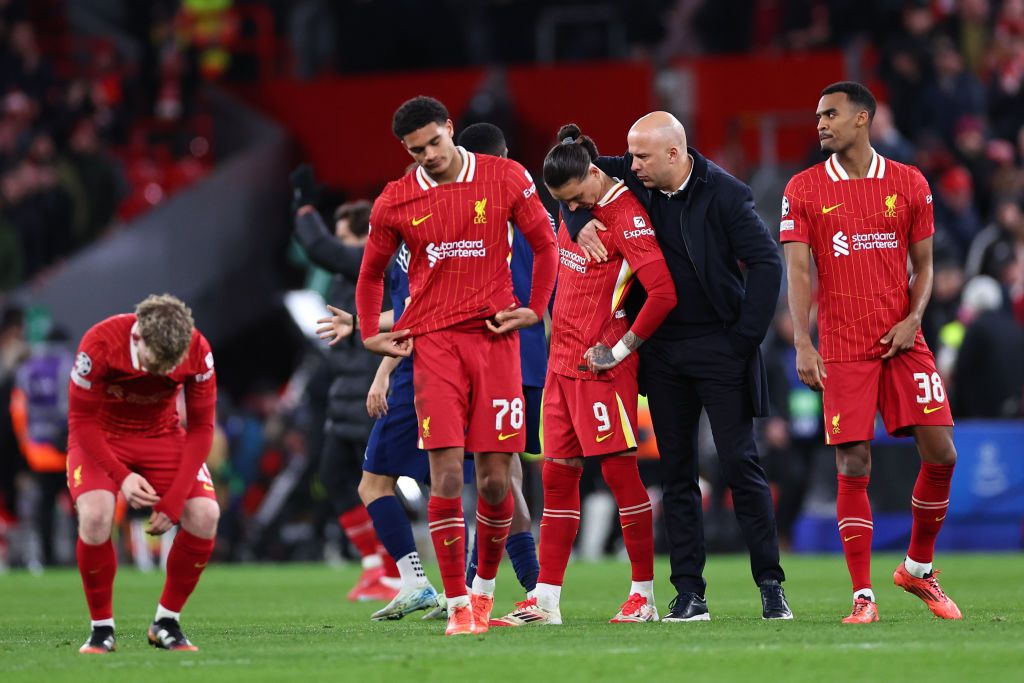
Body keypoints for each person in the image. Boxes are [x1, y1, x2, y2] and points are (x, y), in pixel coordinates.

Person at [562, 112, 790, 621]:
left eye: (641, 156)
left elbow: (767, 262)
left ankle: (771, 585)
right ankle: (689, 593)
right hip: (662, 349)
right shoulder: (633, 175)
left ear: (674, 154)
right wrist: (578, 220)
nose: (630, 165)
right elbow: (568, 175)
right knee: (677, 473)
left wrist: (743, 341)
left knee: (739, 464)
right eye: (630, 154)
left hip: (720, 347)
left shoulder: (727, 195)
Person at [354, 96, 557, 636]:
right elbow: (371, 272)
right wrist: (371, 332)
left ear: (450, 129)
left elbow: (545, 242)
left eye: (434, 143)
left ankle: (486, 595)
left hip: (495, 344)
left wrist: (534, 308)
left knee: (496, 483)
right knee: (445, 475)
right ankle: (457, 603)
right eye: (415, 150)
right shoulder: (395, 201)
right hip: (436, 348)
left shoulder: (505, 176)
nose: (428, 156)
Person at [781, 81, 962, 624]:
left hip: (904, 340)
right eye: (817, 115)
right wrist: (803, 341)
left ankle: (917, 569)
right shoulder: (804, 188)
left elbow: (925, 266)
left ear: (862, 118)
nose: (820, 123)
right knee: (852, 461)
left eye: (830, 114)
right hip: (842, 346)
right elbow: (797, 269)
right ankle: (864, 596)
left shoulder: (909, 182)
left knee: (942, 453)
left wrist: (914, 319)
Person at [492, 124, 676, 626]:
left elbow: (662, 293)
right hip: (560, 366)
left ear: (594, 174)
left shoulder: (626, 217)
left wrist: (619, 349)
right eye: (562, 203)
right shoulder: (574, 204)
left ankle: (643, 596)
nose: (568, 207)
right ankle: (546, 599)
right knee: (556, 480)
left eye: (574, 199)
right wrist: (573, 217)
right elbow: (565, 202)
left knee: (621, 477)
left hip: (602, 371)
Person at [68, 294, 219, 653]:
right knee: (95, 516)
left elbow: (202, 427)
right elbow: (81, 421)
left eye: (172, 363)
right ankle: (101, 629)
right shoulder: (100, 344)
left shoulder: (198, 349)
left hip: (162, 435)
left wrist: (176, 498)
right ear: (138, 339)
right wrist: (122, 477)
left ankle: (166, 622)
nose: (165, 371)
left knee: (205, 514)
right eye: (157, 362)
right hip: (101, 436)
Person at [290, 184, 402, 602]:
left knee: (378, 481)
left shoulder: (373, 260)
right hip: (345, 386)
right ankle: (377, 566)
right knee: (338, 475)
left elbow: (320, 248)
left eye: (345, 238)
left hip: (372, 385)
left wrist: (302, 207)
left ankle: (395, 569)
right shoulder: (344, 277)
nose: (341, 247)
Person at [456, 122, 544, 602]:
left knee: (499, 477)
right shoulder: (533, 206)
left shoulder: (474, 209)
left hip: (491, 356)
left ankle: (531, 588)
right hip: (531, 358)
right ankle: (486, 586)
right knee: (500, 475)